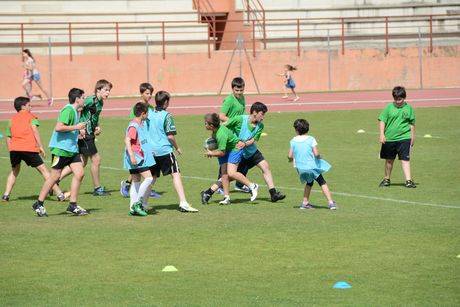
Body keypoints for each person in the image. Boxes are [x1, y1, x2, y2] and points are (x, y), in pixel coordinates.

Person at [201, 102, 285, 204]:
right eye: (262, 114)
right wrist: (217, 136)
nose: (263, 117)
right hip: (238, 153)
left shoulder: (260, 126)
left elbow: (254, 140)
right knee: (229, 176)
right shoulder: (240, 119)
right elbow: (224, 125)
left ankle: (273, 194)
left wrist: (244, 144)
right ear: (254, 112)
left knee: (265, 166)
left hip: (252, 152)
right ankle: (209, 192)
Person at [32, 88, 88, 217]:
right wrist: (76, 127)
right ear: (77, 99)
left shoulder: (75, 111)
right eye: (83, 97)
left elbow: (68, 130)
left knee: (79, 174)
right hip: (61, 149)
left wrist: (78, 133)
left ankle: (72, 205)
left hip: (71, 149)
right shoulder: (68, 110)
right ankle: (39, 204)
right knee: (54, 177)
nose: (84, 100)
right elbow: (58, 127)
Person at [2, 97, 66, 202]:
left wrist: (11, 149)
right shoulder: (31, 117)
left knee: (14, 171)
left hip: (14, 149)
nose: (31, 107)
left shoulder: (11, 120)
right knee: (44, 170)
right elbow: (35, 130)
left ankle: (6, 195)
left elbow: (8, 137)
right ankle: (60, 194)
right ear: (23, 107)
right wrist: (40, 146)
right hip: (28, 148)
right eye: (29, 105)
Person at [59, 79, 112, 196]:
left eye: (109, 90)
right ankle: (97, 188)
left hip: (90, 133)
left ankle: (56, 180)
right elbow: (77, 109)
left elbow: (94, 116)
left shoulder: (100, 102)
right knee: (96, 159)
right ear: (98, 89)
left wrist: (97, 126)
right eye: (106, 90)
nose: (108, 92)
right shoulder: (89, 100)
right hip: (84, 134)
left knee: (81, 162)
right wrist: (78, 128)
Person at [148, 91, 198, 212]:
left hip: (151, 151)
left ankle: (142, 202)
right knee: (175, 174)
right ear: (166, 102)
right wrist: (177, 147)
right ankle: (183, 202)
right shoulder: (167, 115)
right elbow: (170, 136)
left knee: (151, 177)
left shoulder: (149, 113)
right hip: (164, 151)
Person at [202, 113, 259, 205]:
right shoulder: (216, 130)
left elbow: (222, 152)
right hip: (226, 149)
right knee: (224, 175)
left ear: (211, 125)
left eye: (206, 123)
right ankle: (226, 197)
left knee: (231, 173)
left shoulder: (221, 134)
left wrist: (212, 153)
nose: (205, 125)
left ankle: (252, 186)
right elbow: (218, 145)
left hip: (234, 149)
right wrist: (210, 148)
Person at [120, 82, 161, 199]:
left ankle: (139, 188)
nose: (149, 96)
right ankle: (139, 190)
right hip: (139, 143)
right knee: (142, 168)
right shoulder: (137, 108)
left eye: (151, 93)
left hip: (148, 141)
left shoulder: (151, 108)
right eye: (147, 93)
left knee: (142, 168)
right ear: (141, 93)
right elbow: (134, 126)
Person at [288, 119, 337, 210]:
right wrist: (319, 157)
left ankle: (305, 203)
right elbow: (316, 154)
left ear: (296, 130)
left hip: (300, 168)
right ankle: (331, 203)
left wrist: (290, 160)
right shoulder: (311, 139)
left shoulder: (293, 141)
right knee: (322, 182)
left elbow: (290, 156)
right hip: (310, 167)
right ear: (307, 129)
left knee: (309, 182)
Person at [378, 86, 416, 188]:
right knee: (389, 160)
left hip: (404, 138)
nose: (398, 101)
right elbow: (382, 120)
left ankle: (408, 180)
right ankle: (386, 179)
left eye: (400, 99)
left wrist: (412, 136)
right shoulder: (388, 108)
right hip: (389, 138)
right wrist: (382, 134)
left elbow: (411, 123)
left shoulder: (409, 109)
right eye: (396, 99)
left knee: (405, 159)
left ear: (404, 98)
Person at [124, 102, 157, 216]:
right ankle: (137, 203)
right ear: (143, 113)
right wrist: (132, 155)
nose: (148, 115)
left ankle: (132, 208)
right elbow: (127, 140)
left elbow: (141, 141)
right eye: (147, 113)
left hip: (136, 156)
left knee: (136, 180)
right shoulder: (134, 125)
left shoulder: (140, 124)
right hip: (136, 157)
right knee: (148, 178)